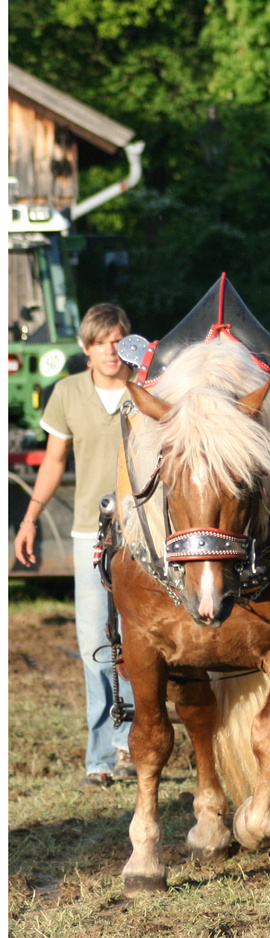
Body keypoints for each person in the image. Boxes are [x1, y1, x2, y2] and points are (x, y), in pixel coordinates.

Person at [14, 304, 137, 788]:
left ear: (127, 344)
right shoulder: (66, 393)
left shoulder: (144, 389)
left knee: (135, 643)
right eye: (101, 342)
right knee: (94, 647)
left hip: (141, 535)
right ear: (86, 349)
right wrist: (29, 518)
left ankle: (131, 747)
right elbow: (52, 461)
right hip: (90, 533)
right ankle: (101, 757)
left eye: (118, 340)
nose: (110, 350)